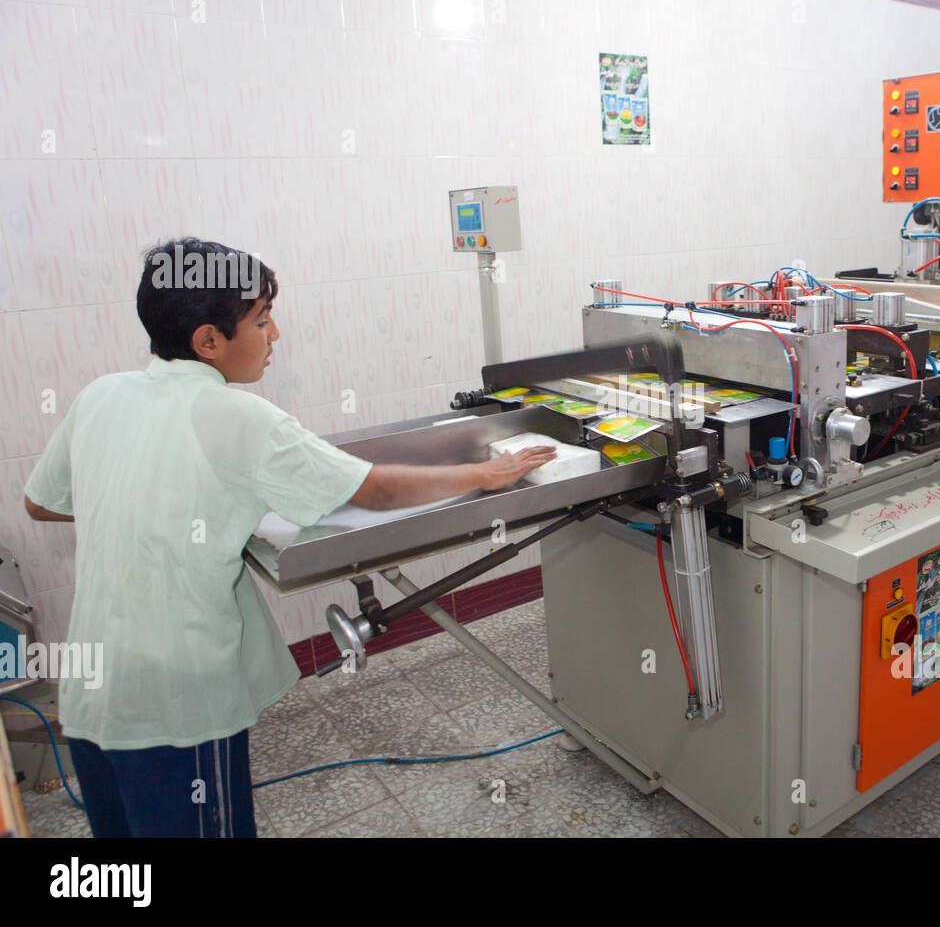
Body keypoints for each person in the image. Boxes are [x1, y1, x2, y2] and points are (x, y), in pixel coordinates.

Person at [22, 237, 554, 837]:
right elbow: (373, 490)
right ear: (209, 341)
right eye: (262, 319)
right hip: (178, 710)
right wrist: (486, 473)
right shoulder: (239, 418)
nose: (274, 337)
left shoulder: (101, 395)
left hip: (91, 699)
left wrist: (156, 511)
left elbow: (41, 501)